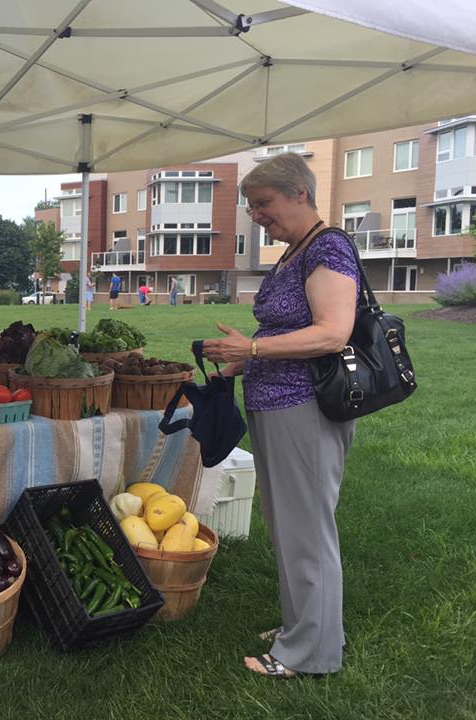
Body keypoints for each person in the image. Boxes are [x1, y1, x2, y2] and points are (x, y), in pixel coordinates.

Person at [202, 153, 360, 678]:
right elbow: (278, 334)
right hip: (275, 404)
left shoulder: (329, 246)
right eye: (252, 206)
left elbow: (332, 332)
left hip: (306, 406)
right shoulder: (295, 251)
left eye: (264, 203)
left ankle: (311, 653)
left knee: (308, 529)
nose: (257, 214)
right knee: (288, 525)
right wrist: (238, 362)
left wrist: (253, 350)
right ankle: (304, 623)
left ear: (299, 193)